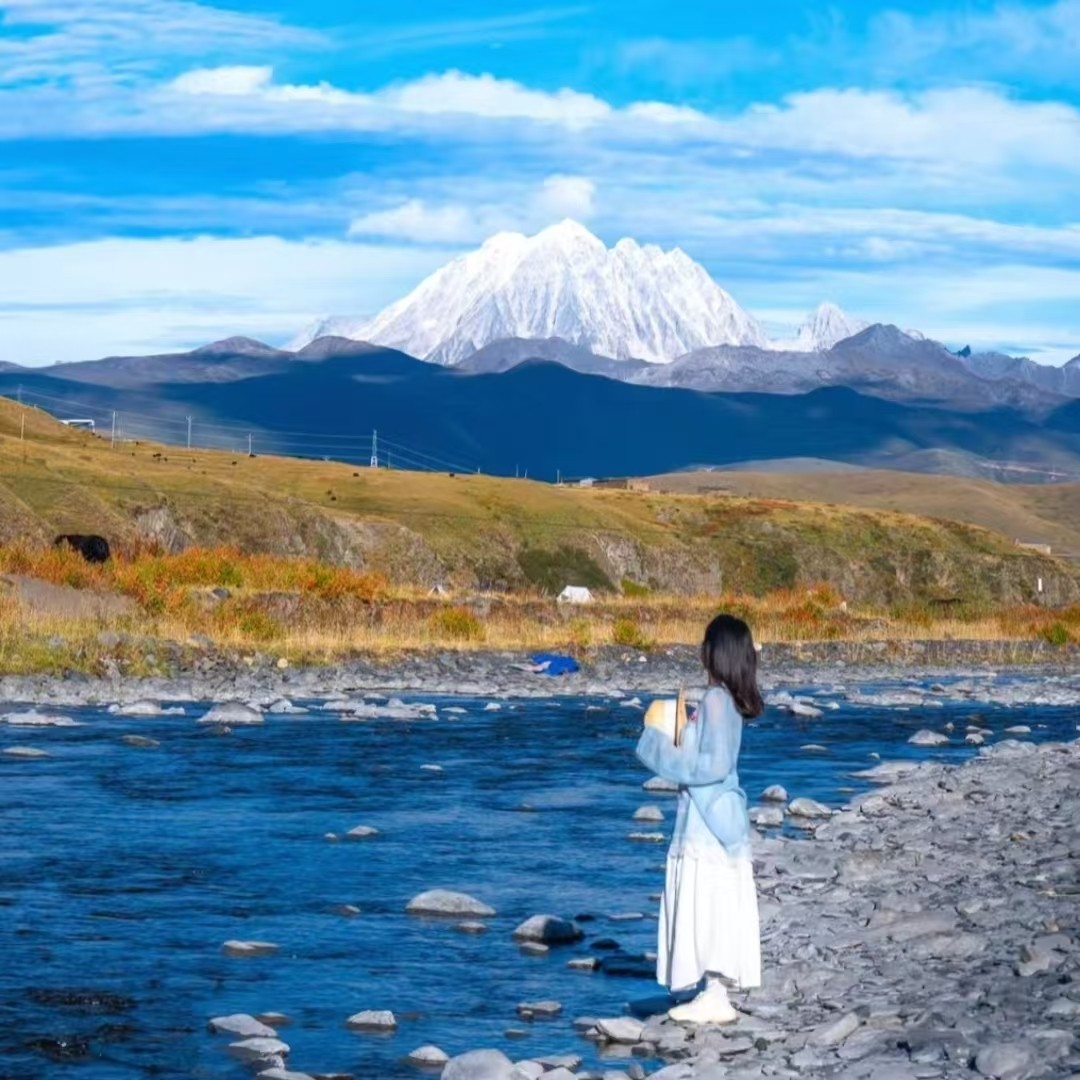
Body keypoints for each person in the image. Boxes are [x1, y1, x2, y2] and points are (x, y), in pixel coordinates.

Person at [635, 613, 764, 1024]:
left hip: (707, 825)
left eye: (705, 644)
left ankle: (714, 994)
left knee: (705, 901)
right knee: (717, 904)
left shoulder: (715, 700)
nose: (700, 651)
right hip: (721, 820)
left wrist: (658, 745)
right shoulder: (726, 700)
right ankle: (714, 990)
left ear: (715, 653)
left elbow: (709, 765)